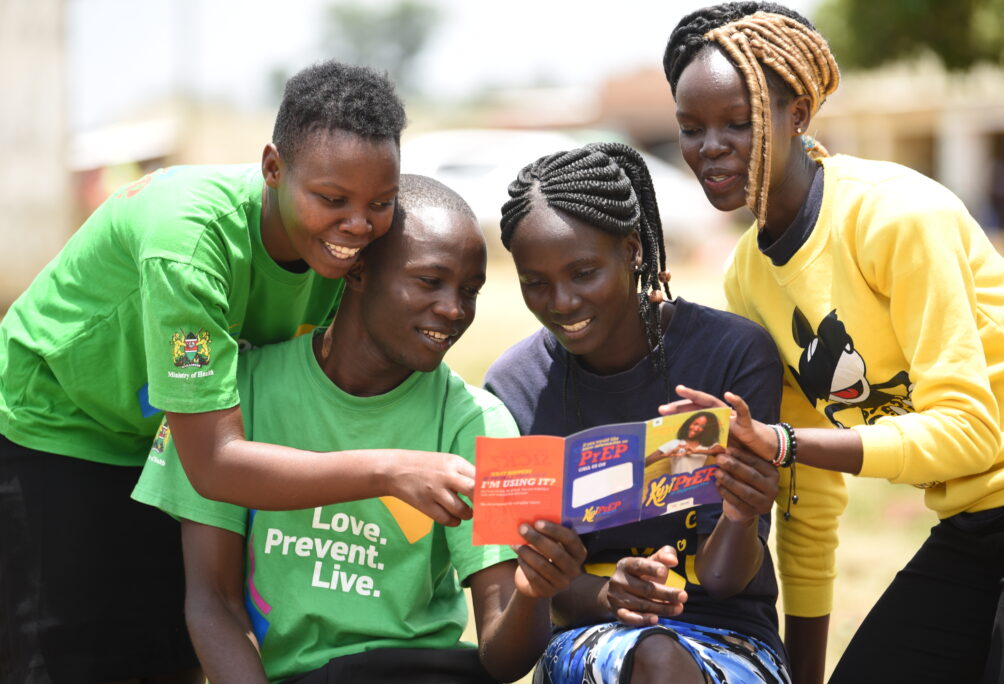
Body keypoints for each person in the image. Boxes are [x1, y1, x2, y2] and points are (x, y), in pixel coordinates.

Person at [0, 62, 472, 684]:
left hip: (169, 442)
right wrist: (391, 470)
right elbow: (215, 463)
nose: (357, 228)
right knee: (70, 652)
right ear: (273, 168)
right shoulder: (190, 247)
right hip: (63, 425)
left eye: (378, 204)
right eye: (332, 200)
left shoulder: (346, 254)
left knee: (169, 651)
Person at [662, 4, 1004, 683]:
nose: (709, 145)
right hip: (973, 524)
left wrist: (783, 443)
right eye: (690, 127)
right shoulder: (747, 275)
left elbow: (970, 433)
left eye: (737, 122)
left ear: (797, 111)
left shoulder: (896, 216)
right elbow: (810, 495)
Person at [131, 174, 588, 684]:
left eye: (470, 290)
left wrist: (533, 591)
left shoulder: (478, 422)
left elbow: (502, 662)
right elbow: (212, 600)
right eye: (429, 281)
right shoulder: (242, 394)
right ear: (358, 272)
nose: (454, 309)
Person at [484, 142, 792, 684]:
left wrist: (742, 516)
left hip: (728, 635)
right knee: (652, 656)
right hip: (588, 637)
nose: (561, 302)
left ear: (631, 250)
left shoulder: (733, 354)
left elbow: (724, 581)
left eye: (583, 272)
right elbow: (526, 598)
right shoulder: (514, 387)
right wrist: (605, 593)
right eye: (536, 283)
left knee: (662, 659)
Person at [646, 410, 726, 475]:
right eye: (695, 424)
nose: (696, 429)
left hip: (696, 487)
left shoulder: (707, 445)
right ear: (689, 424)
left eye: (702, 427)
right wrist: (666, 455)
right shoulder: (675, 443)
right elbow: (645, 462)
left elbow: (721, 450)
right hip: (676, 488)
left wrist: (697, 451)